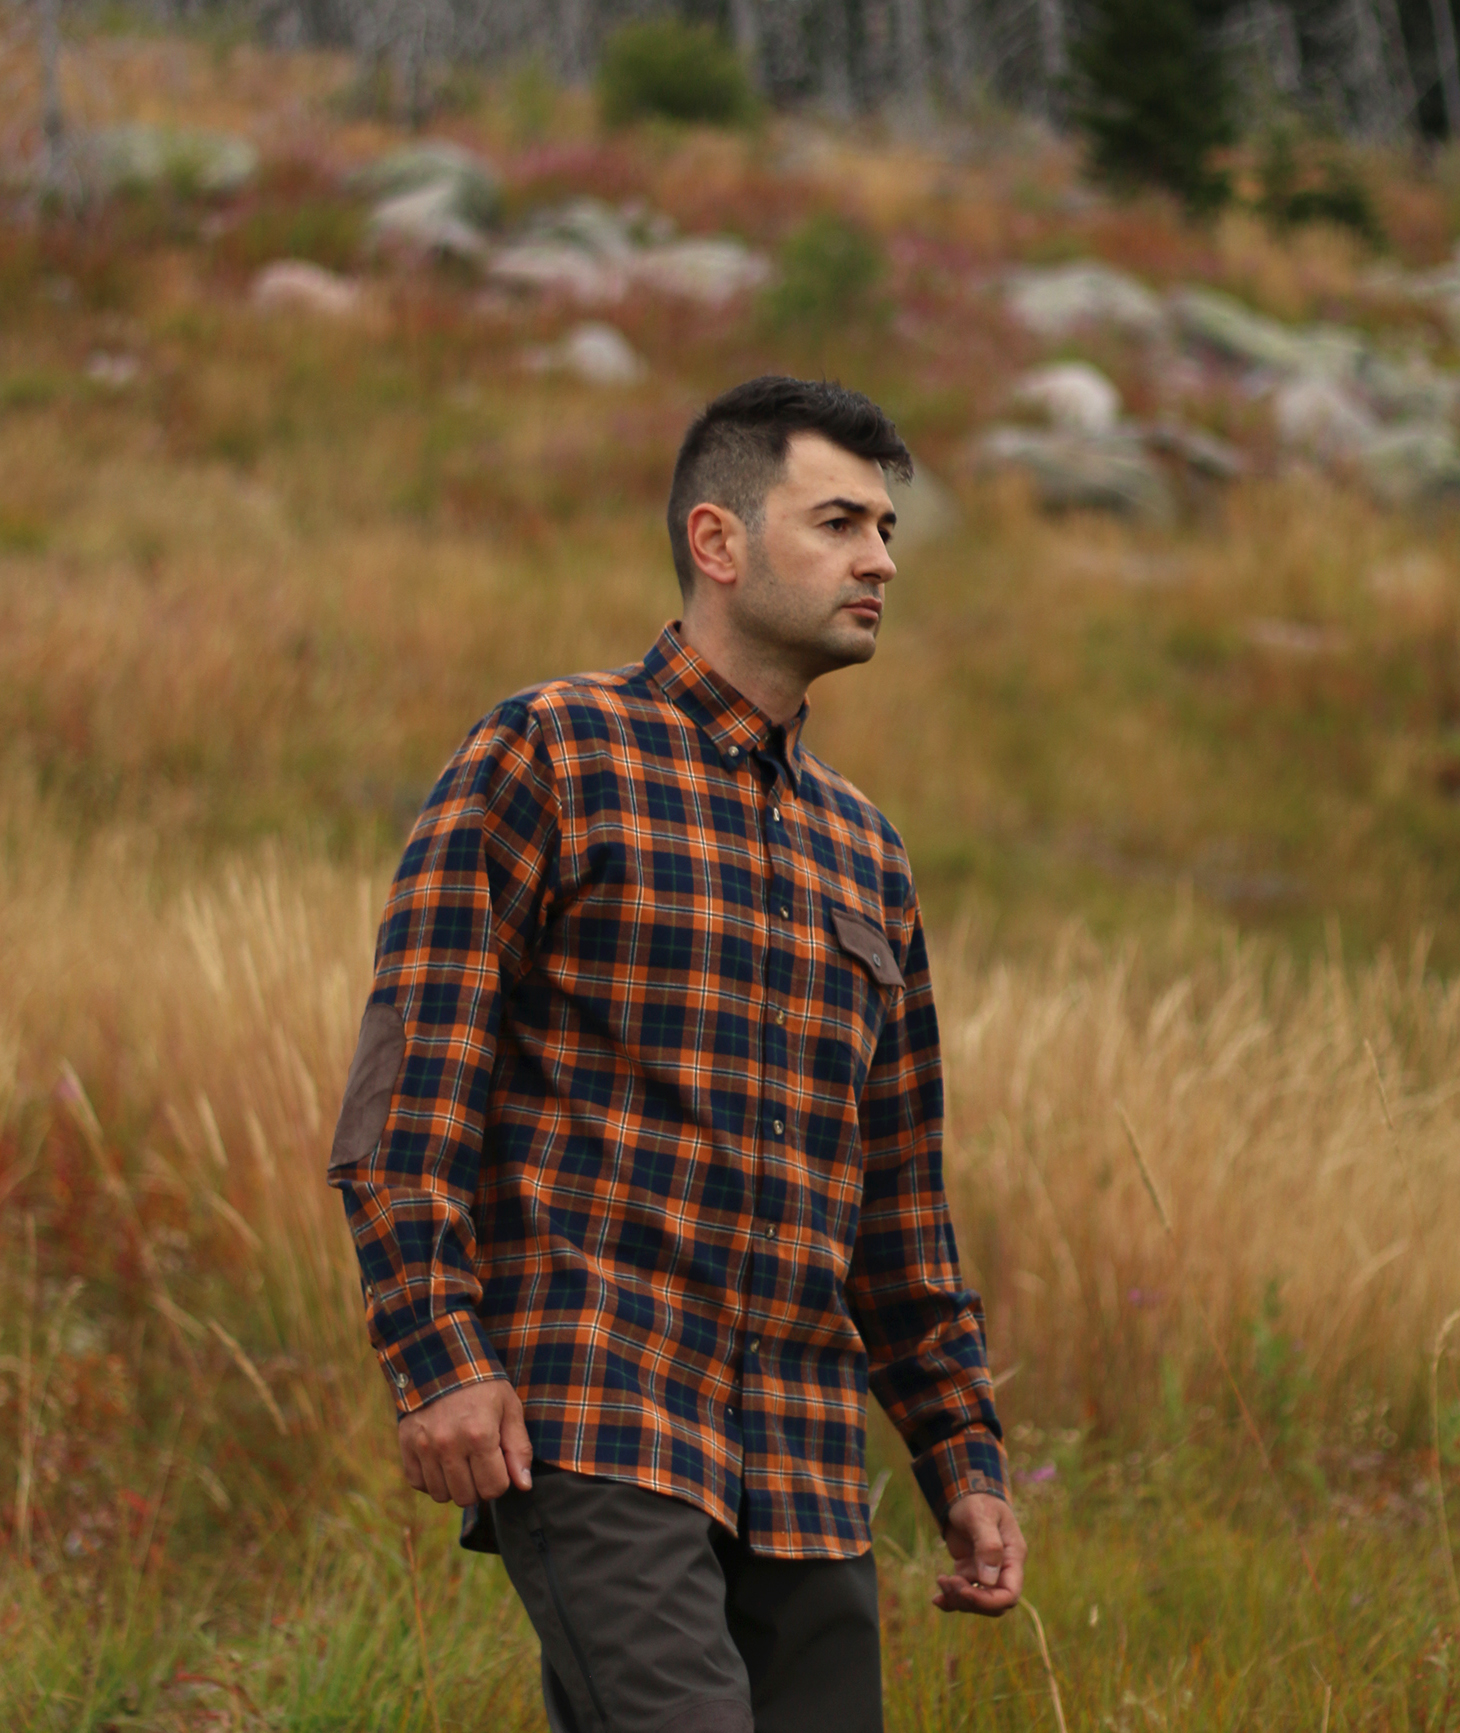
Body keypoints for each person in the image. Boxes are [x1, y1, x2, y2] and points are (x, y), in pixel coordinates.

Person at [328, 376, 1026, 1733]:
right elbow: (407, 1094)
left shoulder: (867, 854)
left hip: (808, 1461)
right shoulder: (550, 752)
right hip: (599, 1409)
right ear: (718, 541)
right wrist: (438, 1354)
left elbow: (899, 1203)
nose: (882, 560)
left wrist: (963, 1453)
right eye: (838, 522)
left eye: (887, 530)